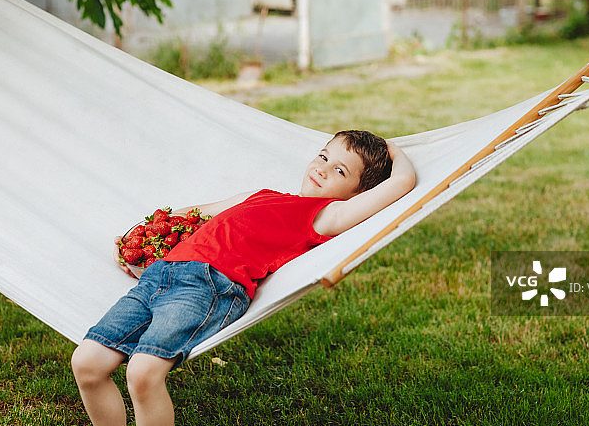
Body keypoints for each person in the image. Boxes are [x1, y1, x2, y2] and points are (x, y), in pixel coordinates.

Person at [71, 130, 416, 426]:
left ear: (357, 193)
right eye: (323, 156)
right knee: (86, 363)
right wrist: (136, 238)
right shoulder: (260, 196)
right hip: (158, 276)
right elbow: (190, 216)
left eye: (339, 170)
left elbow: (402, 183)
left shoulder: (325, 216)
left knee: (143, 373)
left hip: (209, 285)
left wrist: (395, 152)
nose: (321, 169)